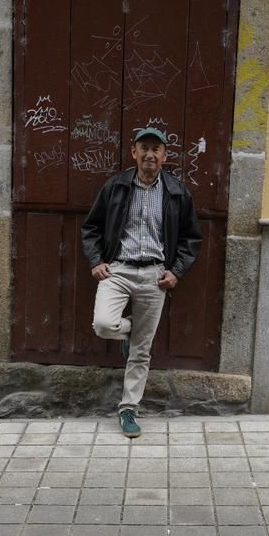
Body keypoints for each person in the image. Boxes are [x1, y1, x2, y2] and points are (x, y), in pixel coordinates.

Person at [81, 127, 201, 438]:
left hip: (155, 276)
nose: (149, 154)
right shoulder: (116, 187)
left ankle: (129, 409)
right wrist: (96, 261)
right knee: (104, 325)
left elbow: (191, 238)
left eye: (156, 149)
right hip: (118, 270)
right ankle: (129, 328)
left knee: (141, 351)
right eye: (143, 148)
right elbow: (91, 227)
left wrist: (177, 271)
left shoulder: (176, 191)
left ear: (165, 156)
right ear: (133, 152)